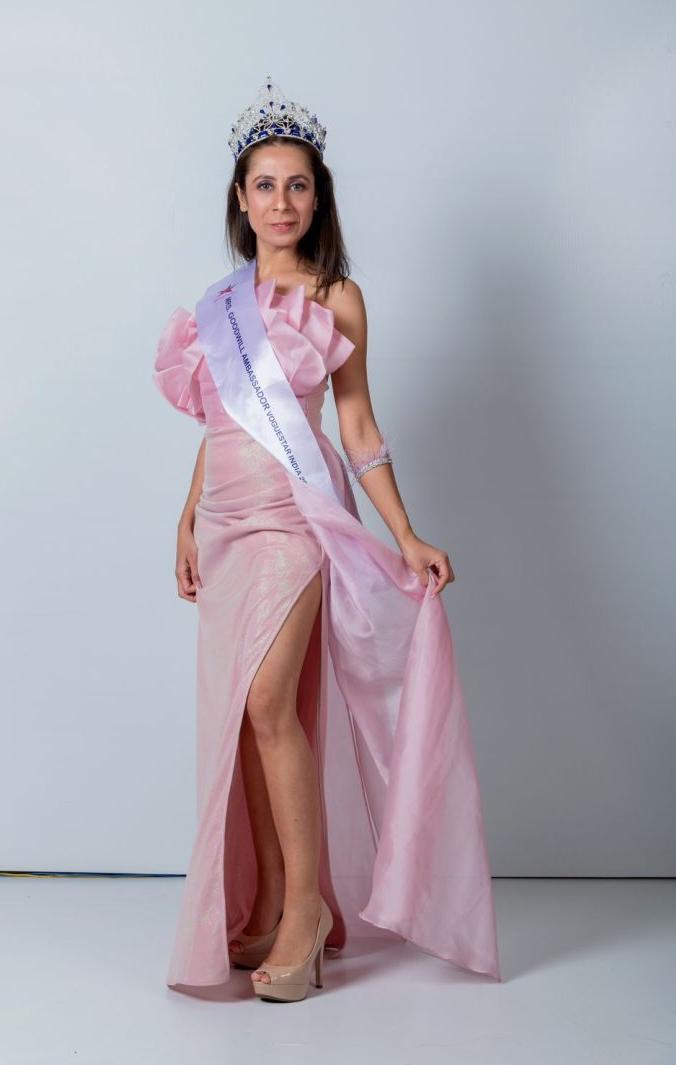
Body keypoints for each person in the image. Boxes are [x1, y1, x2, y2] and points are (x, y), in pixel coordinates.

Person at [153, 77, 501, 1002]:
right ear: (240, 198)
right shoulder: (219, 304)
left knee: (272, 699)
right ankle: (271, 899)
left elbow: (357, 429)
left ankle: (305, 915)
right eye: (265, 185)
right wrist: (187, 514)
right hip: (226, 522)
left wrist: (407, 532)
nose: (282, 202)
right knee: (247, 714)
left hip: (296, 518)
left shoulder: (337, 297)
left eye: (298, 185)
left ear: (319, 197)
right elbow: (223, 422)